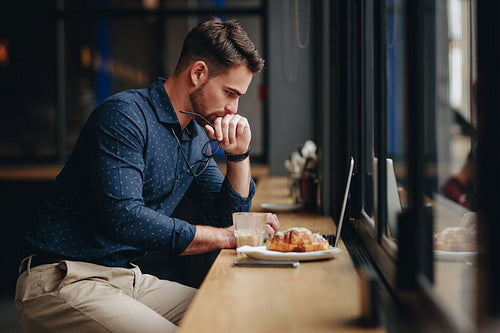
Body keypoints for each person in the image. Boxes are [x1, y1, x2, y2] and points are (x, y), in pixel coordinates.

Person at [15, 17, 280, 333]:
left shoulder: (194, 137)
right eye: (230, 93)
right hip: (62, 278)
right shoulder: (124, 116)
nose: (233, 109)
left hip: (125, 278)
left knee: (232, 316)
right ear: (198, 73)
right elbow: (126, 218)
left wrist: (238, 156)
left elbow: (228, 218)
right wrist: (225, 235)